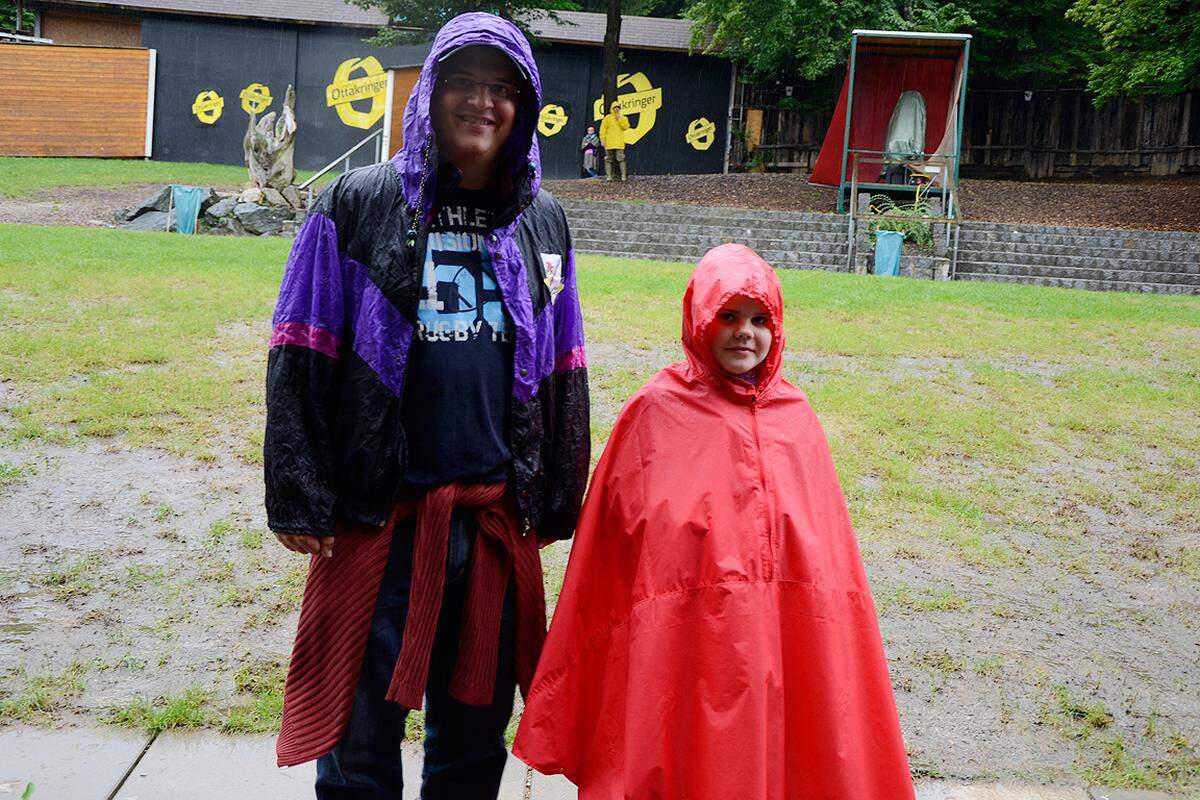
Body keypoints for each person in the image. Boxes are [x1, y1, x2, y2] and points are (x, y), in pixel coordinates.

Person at [263, 12, 590, 800]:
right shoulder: (359, 204)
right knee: (355, 745)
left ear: (523, 105)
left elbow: (563, 366)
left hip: (487, 528)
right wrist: (299, 492)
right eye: (465, 83)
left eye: (502, 88)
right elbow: (301, 350)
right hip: (379, 524)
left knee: (473, 752)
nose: (483, 102)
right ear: (430, 94)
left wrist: (554, 497)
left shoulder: (540, 221)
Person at [513, 244, 914, 799]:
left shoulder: (796, 422)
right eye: (727, 316)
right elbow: (607, 560)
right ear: (700, 317)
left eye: (759, 319)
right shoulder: (656, 411)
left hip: (778, 644)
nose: (744, 333)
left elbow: (828, 572)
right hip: (683, 647)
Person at [599, 100, 630, 182]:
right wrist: (602, 140)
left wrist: (619, 119)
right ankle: (609, 176)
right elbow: (602, 130)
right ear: (612, 108)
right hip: (609, 142)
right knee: (608, 158)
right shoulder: (607, 118)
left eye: (618, 107)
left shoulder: (623, 118)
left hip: (619, 142)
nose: (616, 109)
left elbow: (625, 127)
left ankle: (623, 176)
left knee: (621, 158)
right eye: (615, 107)